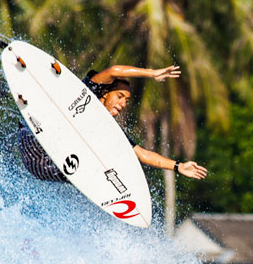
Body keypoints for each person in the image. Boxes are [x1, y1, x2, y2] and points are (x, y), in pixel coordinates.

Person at [16, 64, 208, 183]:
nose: (123, 104)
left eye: (126, 101)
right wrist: (152, 73)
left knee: (102, 160)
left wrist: (178, 166)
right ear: (105, 93)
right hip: (33, 140)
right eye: (120, 96)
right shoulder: (89, 92)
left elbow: (143, 154)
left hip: (47, 168)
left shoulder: (108, 129)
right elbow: (115, 70)